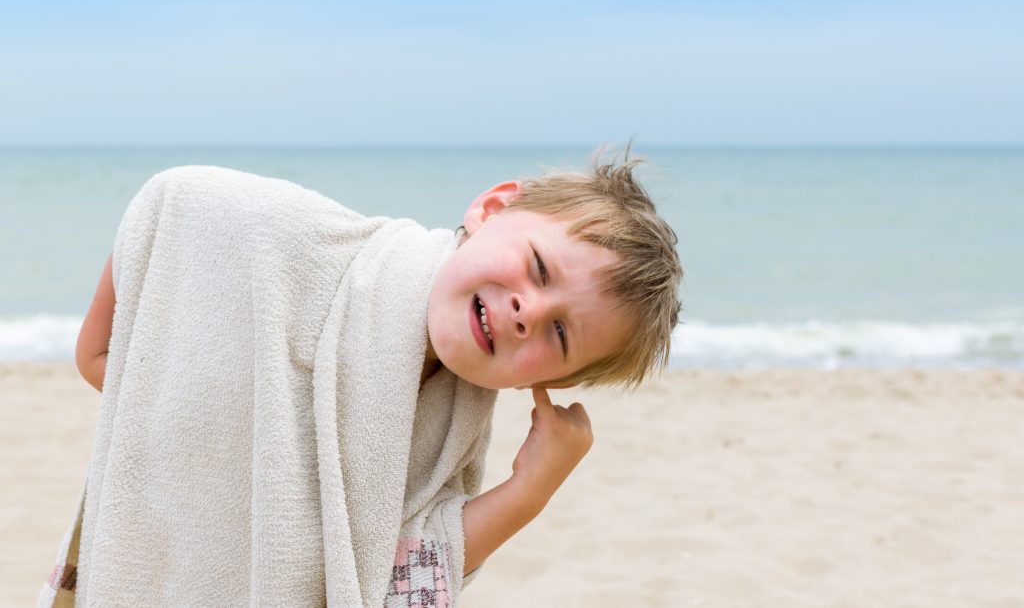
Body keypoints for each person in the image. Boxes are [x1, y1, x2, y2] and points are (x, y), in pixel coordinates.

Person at [55, 151, 682, 606]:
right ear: (492, 209)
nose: (529, 313)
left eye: (561, 336)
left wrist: (531, 488)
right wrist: (231, 415)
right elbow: (178, 199)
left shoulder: (447, 425)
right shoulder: (299, 245)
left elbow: (400, 581)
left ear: (543, 382)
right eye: (539, 269)